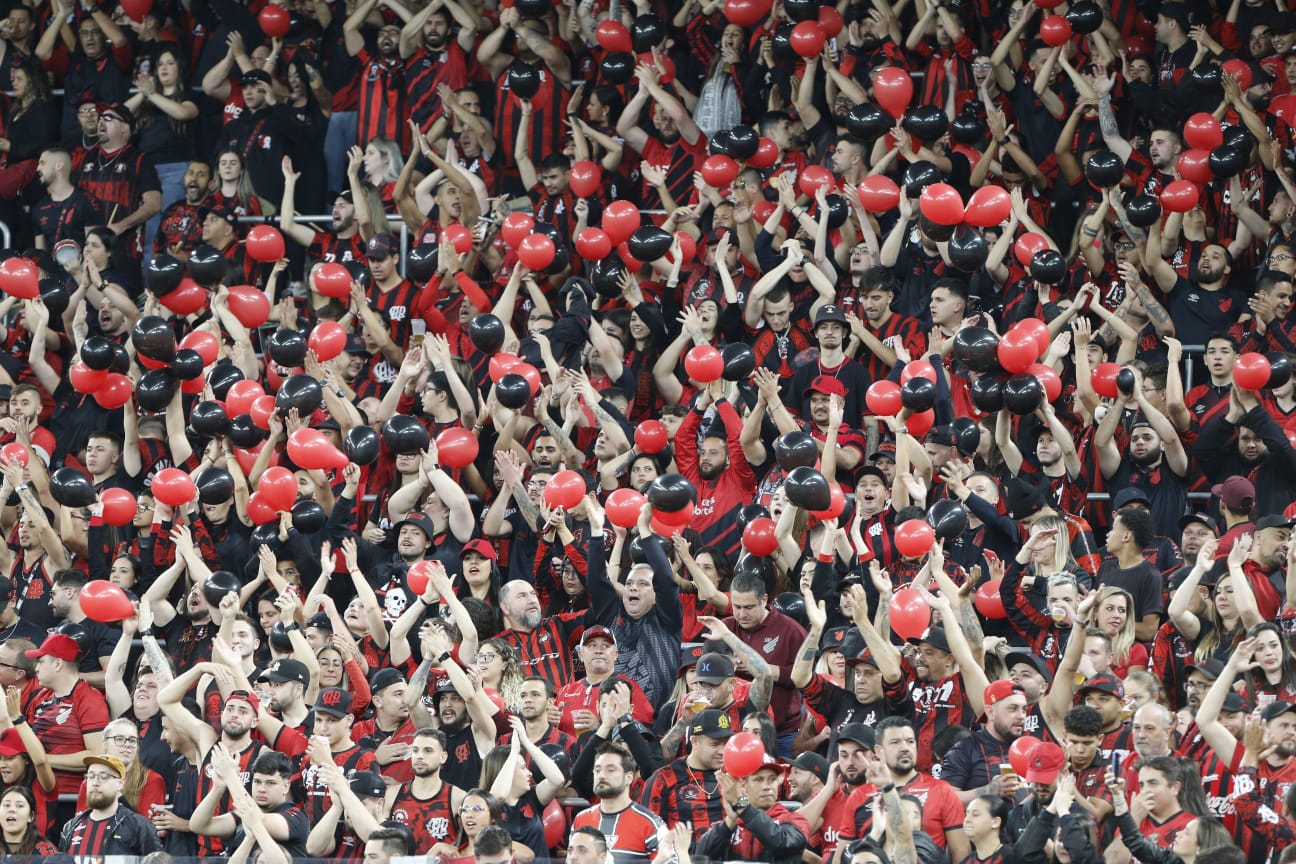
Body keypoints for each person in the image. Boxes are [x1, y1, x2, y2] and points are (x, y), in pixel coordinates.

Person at [59, 754, 162, 856]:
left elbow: (158, 861)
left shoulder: (139, 826)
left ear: (120, 784)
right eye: (90, 776)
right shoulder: (70, 827)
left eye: (104, 777)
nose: (95, 782)